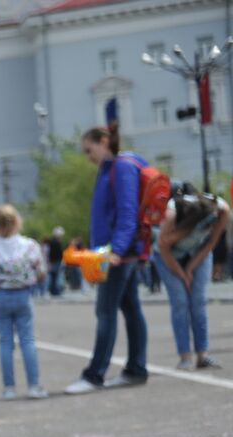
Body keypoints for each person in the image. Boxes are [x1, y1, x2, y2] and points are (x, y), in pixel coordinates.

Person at [65, 126, 150, 395]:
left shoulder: (121, 168)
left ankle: (94, 375)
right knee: (131, 309)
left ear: (104, 142)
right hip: (114, 253)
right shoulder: (110, 169)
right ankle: (135, 369)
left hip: (116, 256)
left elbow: (127, 212)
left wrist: (117, 250)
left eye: (89, 150)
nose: (87, 156)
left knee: (105, 312)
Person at [153, 182, 228, 370]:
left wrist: (192, 267)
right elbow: (164, 247)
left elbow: (211, 241)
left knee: (198, 301)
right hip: (168, 256)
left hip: (199, 253)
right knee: (180, 302)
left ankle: (203, 355)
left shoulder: (219, 208)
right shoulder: (171, 214)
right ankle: (185, 357)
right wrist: (182, 273)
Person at [0, 205, 47, 400]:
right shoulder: (29, 246)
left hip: (1, 296)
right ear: (17, 222)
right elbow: (41, 271)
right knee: (28, 341)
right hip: (23, 295)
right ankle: (34, 385)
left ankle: (9, 388)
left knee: (5, 343)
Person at [44, 227, 66, 297]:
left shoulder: (51, 242)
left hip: (53, 261)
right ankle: (55, 290)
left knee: (53, 276)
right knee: (56, 276)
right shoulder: (56, 243)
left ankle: (53, 290)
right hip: (56, 261)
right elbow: (58, 253)